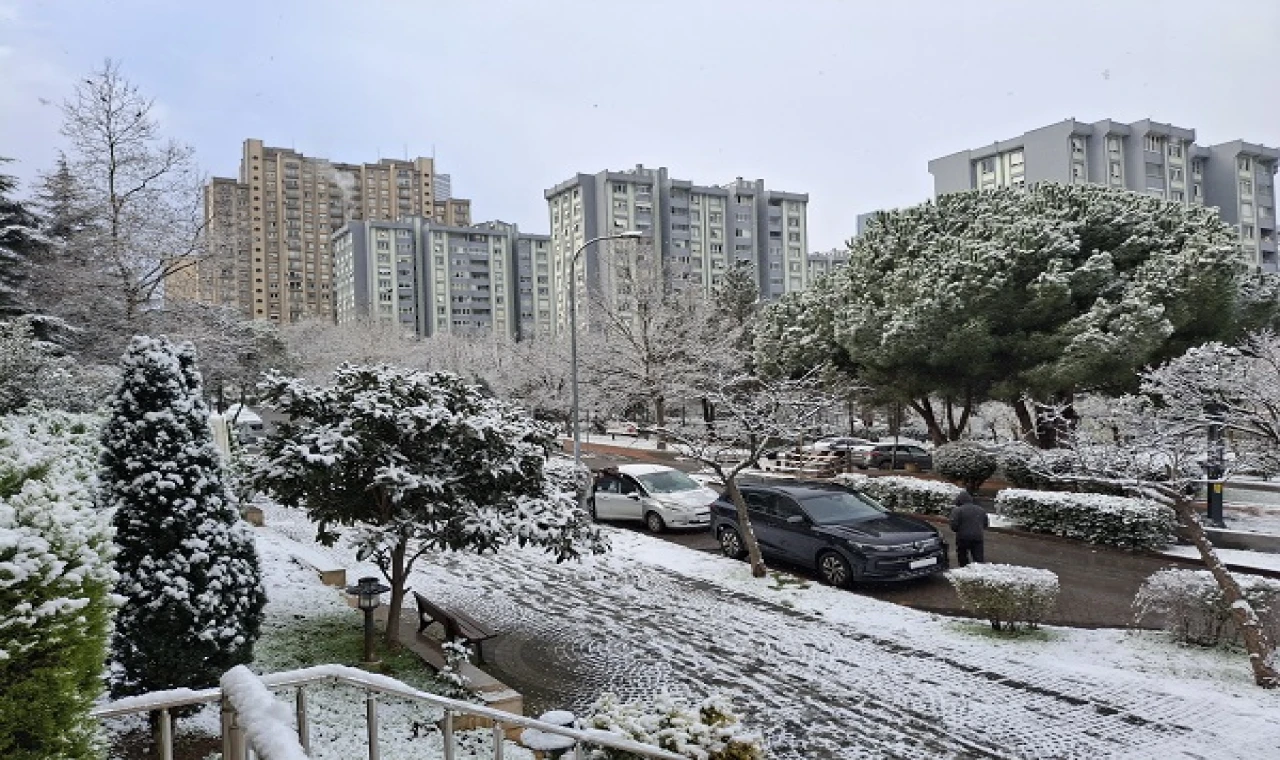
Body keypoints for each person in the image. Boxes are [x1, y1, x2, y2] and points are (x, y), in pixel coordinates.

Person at [949, 490, 988, 567]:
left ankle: (965, 570)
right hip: (978, 537)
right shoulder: (981, 510)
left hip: (963, 537)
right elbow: (985, 524)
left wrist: (958, 530)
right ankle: (979, 572)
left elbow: (954, 525)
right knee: (978, 558)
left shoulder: (958, 510)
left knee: (962, 556)